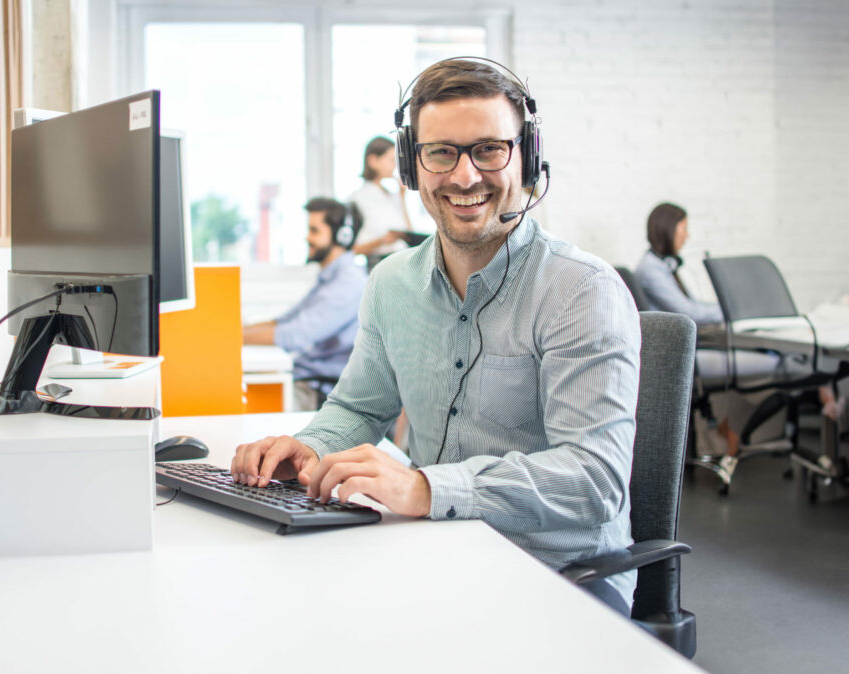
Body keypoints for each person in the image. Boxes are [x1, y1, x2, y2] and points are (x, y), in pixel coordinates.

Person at [232, 59, 641, 615]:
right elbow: (359, 406)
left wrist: (426, 489)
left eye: (489, 149)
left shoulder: (580, 290)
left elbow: (594, 477)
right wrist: (311, 445)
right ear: (411, 164)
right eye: (441, 152)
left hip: (561, 577)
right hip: (430, 553)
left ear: (528, 159)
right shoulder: (391, 283)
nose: (465, 176)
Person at [634, 202, 842, 476]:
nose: (687, 236)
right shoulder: (651, 270)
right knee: (783, 361)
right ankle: (822, 392)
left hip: (696, 349)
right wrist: (735, 307)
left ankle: (820, 391)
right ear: (667, 230)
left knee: (772, 351)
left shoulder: (662, 267)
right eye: (683, 230)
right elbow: (688, 312)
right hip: (688, 357)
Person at [242, 198, 367, 411]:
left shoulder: (349, 282)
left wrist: (230, 339)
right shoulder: (331, 276)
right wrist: (235, 333)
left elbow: (296, 334)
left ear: (341, 236)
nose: (307, 238)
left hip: (321, 391)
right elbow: (284, 321)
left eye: (314, 231)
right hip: (306, 379)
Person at [348, 136, 413, 268]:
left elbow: (408, 232)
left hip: (403, 262)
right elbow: (351, 249)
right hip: (379, 264)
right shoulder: (358, 199)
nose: (395, 166)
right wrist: (382, 240)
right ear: (373, 161)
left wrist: (402, 197)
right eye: (391, 160)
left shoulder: (392, 195)